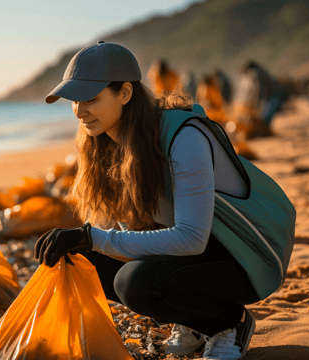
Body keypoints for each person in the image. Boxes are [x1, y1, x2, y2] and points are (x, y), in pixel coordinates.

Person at [37, 41, 259, 359]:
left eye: (91, 99)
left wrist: (92, 237)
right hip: (193, 257)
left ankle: (228, 322)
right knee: (77, 258)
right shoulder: (107, 142)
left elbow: (192, 239)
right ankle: (193, 320)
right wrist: (81, 240)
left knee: (135, 284)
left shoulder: (184, 138)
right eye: (74, 101)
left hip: (241, 257)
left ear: (125, 93)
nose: (80, 111)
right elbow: (119, 227)